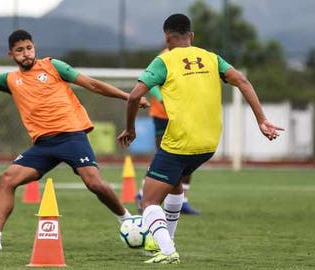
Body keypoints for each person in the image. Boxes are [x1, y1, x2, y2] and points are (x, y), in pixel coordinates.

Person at [0, 17, 149, 250]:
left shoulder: (53, 66)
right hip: (44, 146)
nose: (26, 53)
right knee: (7, 179)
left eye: (29, 48)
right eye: (19, 50)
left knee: (94, 183)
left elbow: (93, 85)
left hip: (72, 137)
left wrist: (130, 98)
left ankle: (127, 219)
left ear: (34, 47)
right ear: (11, 55)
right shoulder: (10, 80)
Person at [117, 14, 283, 264]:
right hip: (208, 145)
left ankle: (166, 249)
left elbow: (133, 97)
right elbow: (243, 81)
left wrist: (130, 128)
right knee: (174, 184)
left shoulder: (164, 60)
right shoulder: (212, 57)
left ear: (166, 37)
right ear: (191, 36)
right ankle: (167, 241)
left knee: (149, 199)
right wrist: (262, 120)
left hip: (179, 142)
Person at [136, 82, 201, 215]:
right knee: (162, 155)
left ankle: (183, 201)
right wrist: (161, 99)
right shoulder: (163, 61)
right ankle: (142, 194)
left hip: (183, 116)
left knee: (189, 154)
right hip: (162, 115)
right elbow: (151, 83)